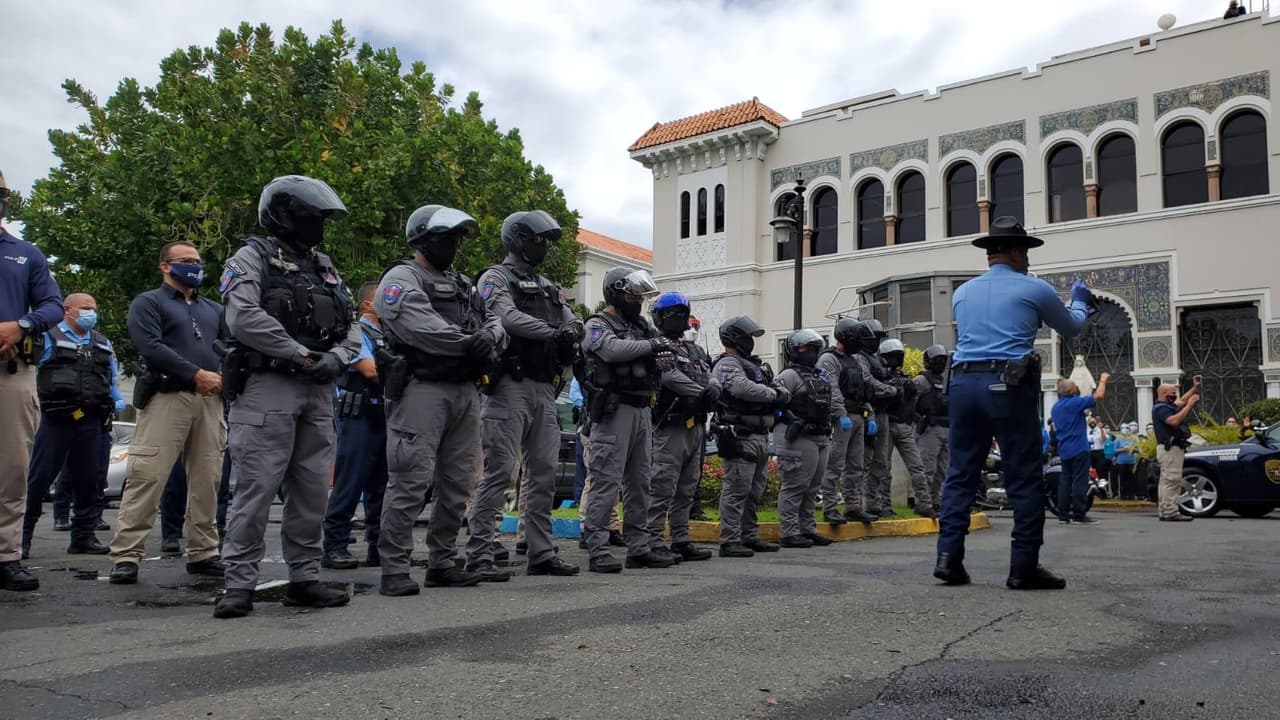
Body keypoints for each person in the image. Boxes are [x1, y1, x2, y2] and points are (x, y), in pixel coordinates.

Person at [214, 175, 361, 618]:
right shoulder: (250, 258)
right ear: (282, 216)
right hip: (269, 385)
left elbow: (352, 321)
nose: (318, 225)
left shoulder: (324, 265)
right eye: (310, 216)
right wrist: (301, 355)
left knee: (313, 489)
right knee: (255, 488)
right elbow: (244, 319)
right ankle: (239, 584)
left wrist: (339, 356)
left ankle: (305, 578)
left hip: (317, 389)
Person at [933, 217, 1090, 591]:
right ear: (1018, 252)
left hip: (963, 383)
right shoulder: (1033, 288)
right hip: (1008, 384)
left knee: (960, 473)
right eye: (1027, 253)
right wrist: (1082, 304)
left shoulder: (962, 292)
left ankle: (948, 558)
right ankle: (1023, 566)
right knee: (1024, 476)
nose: (1029, 260)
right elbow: (1071, 326)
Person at [375, 203, 507, 596]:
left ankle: (443, 561)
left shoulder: (464, 284)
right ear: (421, 239)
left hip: (466, 391)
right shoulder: (402, 278)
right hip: (422, 389)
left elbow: (494, 321)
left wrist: (489, 339)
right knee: (410, 479)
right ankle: (395, 567)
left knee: (458, 482)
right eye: (444, 238)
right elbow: (419, 326)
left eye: (455, 238)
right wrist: (471, 343)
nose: (451, 245)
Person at [466, 210, 581, 580]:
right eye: (537, 239)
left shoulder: (547, 285)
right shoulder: (495, 278)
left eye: (545, 241)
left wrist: (568, 331)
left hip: (545, 388)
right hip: (508, 387)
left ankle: (541, 552)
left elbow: (572, 320)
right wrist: (554, 332)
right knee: (499, 472)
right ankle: (480, 553)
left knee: (544, 473)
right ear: (516, 239)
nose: (542, 246)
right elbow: (507, 318)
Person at [108, 241, 230, 584]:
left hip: (210, 400)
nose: (193, 266)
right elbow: (151, 347)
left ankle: (204, 552)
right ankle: (127, 555)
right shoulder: (149, 302)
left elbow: (227, 347)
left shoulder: (214, 310)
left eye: (196, 260)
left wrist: (220, 377)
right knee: (147, 476)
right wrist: (195, 373)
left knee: (209, 479)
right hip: (167, 398)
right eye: (185, 260)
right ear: (165, 266)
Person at [580, 267, 674, 573]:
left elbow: (663, 353)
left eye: (638, 296)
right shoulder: (597, 324)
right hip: (613, 411)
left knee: (640, 483)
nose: (636, 301)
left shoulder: (642, 327)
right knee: (606, 481)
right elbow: (609, 349)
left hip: (642, 408)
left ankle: (639, 548)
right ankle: (597, 548)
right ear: (616, 293)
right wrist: (651, 347)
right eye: (632, 294)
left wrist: (660, 350)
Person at [22, 293, 126, 559]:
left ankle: (83, 536)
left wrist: (118, 398)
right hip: (56, 420)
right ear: (67, 310)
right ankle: (21, 538)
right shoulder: (47, 337)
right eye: (85, 308)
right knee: (38, 479)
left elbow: (111, 377)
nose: (92, 313)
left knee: (90, 479)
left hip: (92, 420)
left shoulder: (102, 342)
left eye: (94, 308)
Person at [0, 169, 64, 591]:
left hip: (11, 373)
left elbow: (53, 306)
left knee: (12, 469)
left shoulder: (25, 253)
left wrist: (21, 324)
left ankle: (5, 555)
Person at [321, 282, 390, 570]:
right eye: (383, 299)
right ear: (368, 305)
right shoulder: (357, 332)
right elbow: (370, 370)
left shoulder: (389, 334)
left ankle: (378, 546)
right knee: (350, 482)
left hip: (384, 414)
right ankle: (335, 545)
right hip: (358, 415)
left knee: (382, 485)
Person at [645, 292, 717, 562]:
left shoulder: (694, 349)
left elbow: (711, 374)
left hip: (696, 424)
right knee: (662, 485)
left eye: (681, 313)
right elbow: (668, 376)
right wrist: (702, 392)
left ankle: (681, 538)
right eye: (672, 314)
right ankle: (652, 540)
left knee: (687, 487)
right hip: (669, 425)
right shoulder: (658, 346)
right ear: (660, 317)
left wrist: (712, 391)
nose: (678, 319)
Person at [711, 316, 784, 558]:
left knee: (754, 491)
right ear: (734, 338)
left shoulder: (754, 365)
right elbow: (742, 388)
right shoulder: (728, 364)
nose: (750, 341)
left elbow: (779, 388)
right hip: (740, 433)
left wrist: (777, 392)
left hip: (760, 434)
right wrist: (773, 394)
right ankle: (730, 540)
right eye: (747, 337)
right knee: (736, 490)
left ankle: (748, 536)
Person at [773, 329, 837, 549]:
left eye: (813, 348)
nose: (810, 352)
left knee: (812, 486)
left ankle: (807, 529)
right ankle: (789, 532)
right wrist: (792, 419)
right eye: (805, 348)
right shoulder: (788, 376)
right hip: (797, 436)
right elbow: (775, 403)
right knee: (795, 484)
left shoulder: (819, 375)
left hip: (820, 435)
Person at [815, 319, 879, 526]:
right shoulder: (828, 359)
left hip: (858, 416)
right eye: (856, 338)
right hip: (840, 419)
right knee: (835, 465)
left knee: (856, 466)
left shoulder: (856, 360)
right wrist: (840, 414)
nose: (860, 342)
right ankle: (830, 508)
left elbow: (863, 388)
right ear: (844, 337)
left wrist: (869, 413)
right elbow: (831, 388)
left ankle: (853, 507)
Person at [871, 338, 936, 518]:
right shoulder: (879, 378)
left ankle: (924, 503)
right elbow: (876, 397)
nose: (895, 360)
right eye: (891, 357)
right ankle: (883, 505)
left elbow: (913, 402)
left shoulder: (904, 378)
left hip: (905, 425)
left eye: (898, 356)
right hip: (887, 424)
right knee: (884, 468)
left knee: (917, 466)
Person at [1051, 374, 1110, 525]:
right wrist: (1102, 380)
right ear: (1071, 390)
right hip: (1078, 448)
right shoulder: (1074, 403)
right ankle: (1079, 514)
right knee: (1080, 482)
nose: (1078, 387)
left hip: (1064, 449)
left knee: (1065, 482)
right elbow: (1098, 396)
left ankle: (1063, 515)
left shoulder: (1056, 407)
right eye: (1075, 386)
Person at [861, 321, 905, 517]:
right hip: (868, 412)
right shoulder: (859, 358)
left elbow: (884, 380)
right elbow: (868, 382)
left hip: (882, 412)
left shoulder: (876, 360)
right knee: (864, 461)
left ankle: (875, 504)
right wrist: (892, 390)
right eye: (875, 336)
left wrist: (895, 386)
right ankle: (862, 504)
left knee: (880, 462)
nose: (877, 341)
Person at [1152, 379, 1200, 522]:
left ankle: (1165, 510)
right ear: (1164, 393)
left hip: (1171, 449)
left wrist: (1194, 388)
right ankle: (1170, 512)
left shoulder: (1166, 405)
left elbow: (1182, 401)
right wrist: (1190, 405)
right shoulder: (1161, 409)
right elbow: (1173, 421)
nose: (1175, 396)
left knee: (1166, 480)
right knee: (1172, 480)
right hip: (1170, 449)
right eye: (1172, 393)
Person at [915, 344, 950, 511]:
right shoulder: (921, 380)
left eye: (943, 360)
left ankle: (937, 501)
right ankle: (923, 502)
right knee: (927, 468)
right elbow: (909, 403)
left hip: (947, 428)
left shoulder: (946, 380)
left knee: (943, 470)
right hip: (929, 429)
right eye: (937, 360)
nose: (941, 364)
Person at [1112, 422, 1139, 499]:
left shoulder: (1133, 438)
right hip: (1121, 462)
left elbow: (1138, 449)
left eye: (1126, 428)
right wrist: (1123, 449)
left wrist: (1132, 449)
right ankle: (1123, 495)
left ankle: (1131, 495)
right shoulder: (1118, 439)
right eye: (1123, 428)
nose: (1125, 430)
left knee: (1131, 478)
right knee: (1122, 478)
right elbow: (1114, 450)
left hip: (1131, 461)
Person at [1087, 417, 1108, 482]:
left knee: (1101, 471)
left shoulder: (1100, 430)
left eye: (1093, 422)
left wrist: (1101, 429)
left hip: (1099, 452)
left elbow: (1104, 439)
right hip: (1090, 452)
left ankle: (1102, 487)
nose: (1092, 423)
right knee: (1091, 471)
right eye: (1090, 422)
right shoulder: (1086, 431)